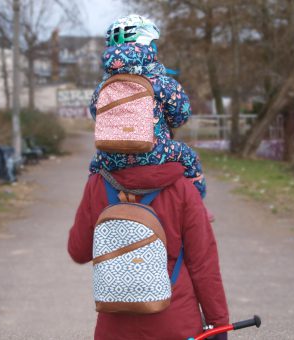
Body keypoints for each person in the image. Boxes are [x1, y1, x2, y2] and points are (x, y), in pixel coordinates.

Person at [68, 161, 229, 339]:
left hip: (115, 325)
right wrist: (218, 323)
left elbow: (78, 251)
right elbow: (203, 264)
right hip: (176, 321)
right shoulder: (182, 187)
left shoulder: (97, 183)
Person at [88, 14, 207, 198]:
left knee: (94, 169)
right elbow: (181, 116)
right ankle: (197, 204)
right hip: (154, 153)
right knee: (189, 156)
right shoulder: (162, 83)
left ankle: (93, 201)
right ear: (148, 46)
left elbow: (96, 113)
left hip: (109, 156)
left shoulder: (102, 87)